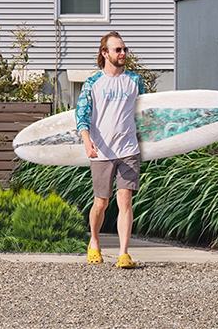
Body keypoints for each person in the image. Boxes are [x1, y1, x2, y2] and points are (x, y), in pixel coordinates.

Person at [76, 30, 145, 268]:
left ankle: (124, 253)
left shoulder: (135, 80)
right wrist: (86, 140)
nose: (123, 53)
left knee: (125, 200)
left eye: (124, 49)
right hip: (102, 151)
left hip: (128, 150)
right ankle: (94, 241)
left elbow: (144, 113)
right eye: (118, 50)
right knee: (101, 203)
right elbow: (81, 116)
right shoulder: (92, 83)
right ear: (105, 53)